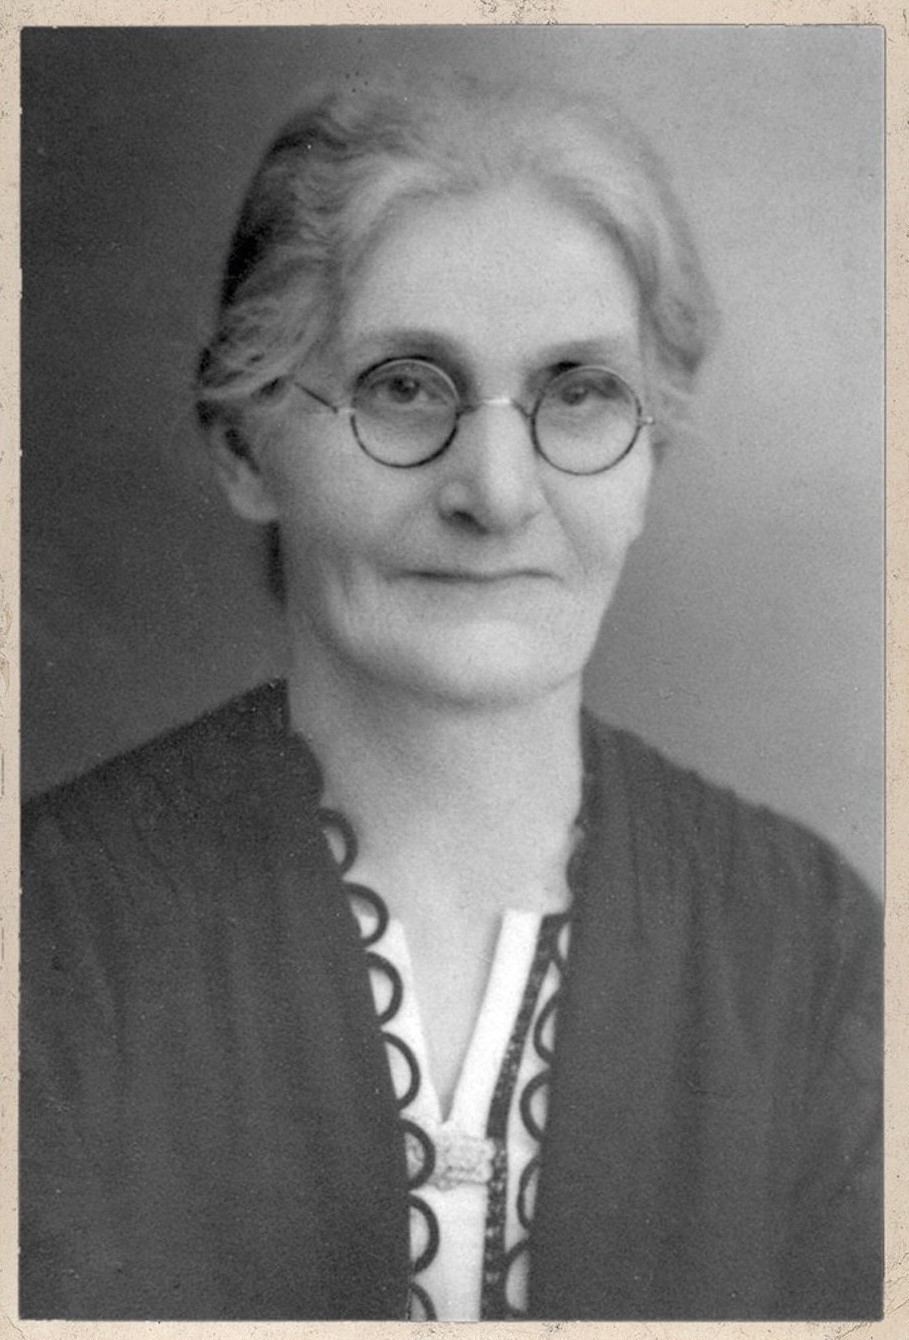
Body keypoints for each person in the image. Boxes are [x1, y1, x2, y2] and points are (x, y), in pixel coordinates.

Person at [19, 69, 882, 1322]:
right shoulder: (44, 940)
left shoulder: (811, 957)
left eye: (578, 391)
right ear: (244, 447)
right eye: (404, 386)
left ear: (650, 454)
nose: (498, 489)